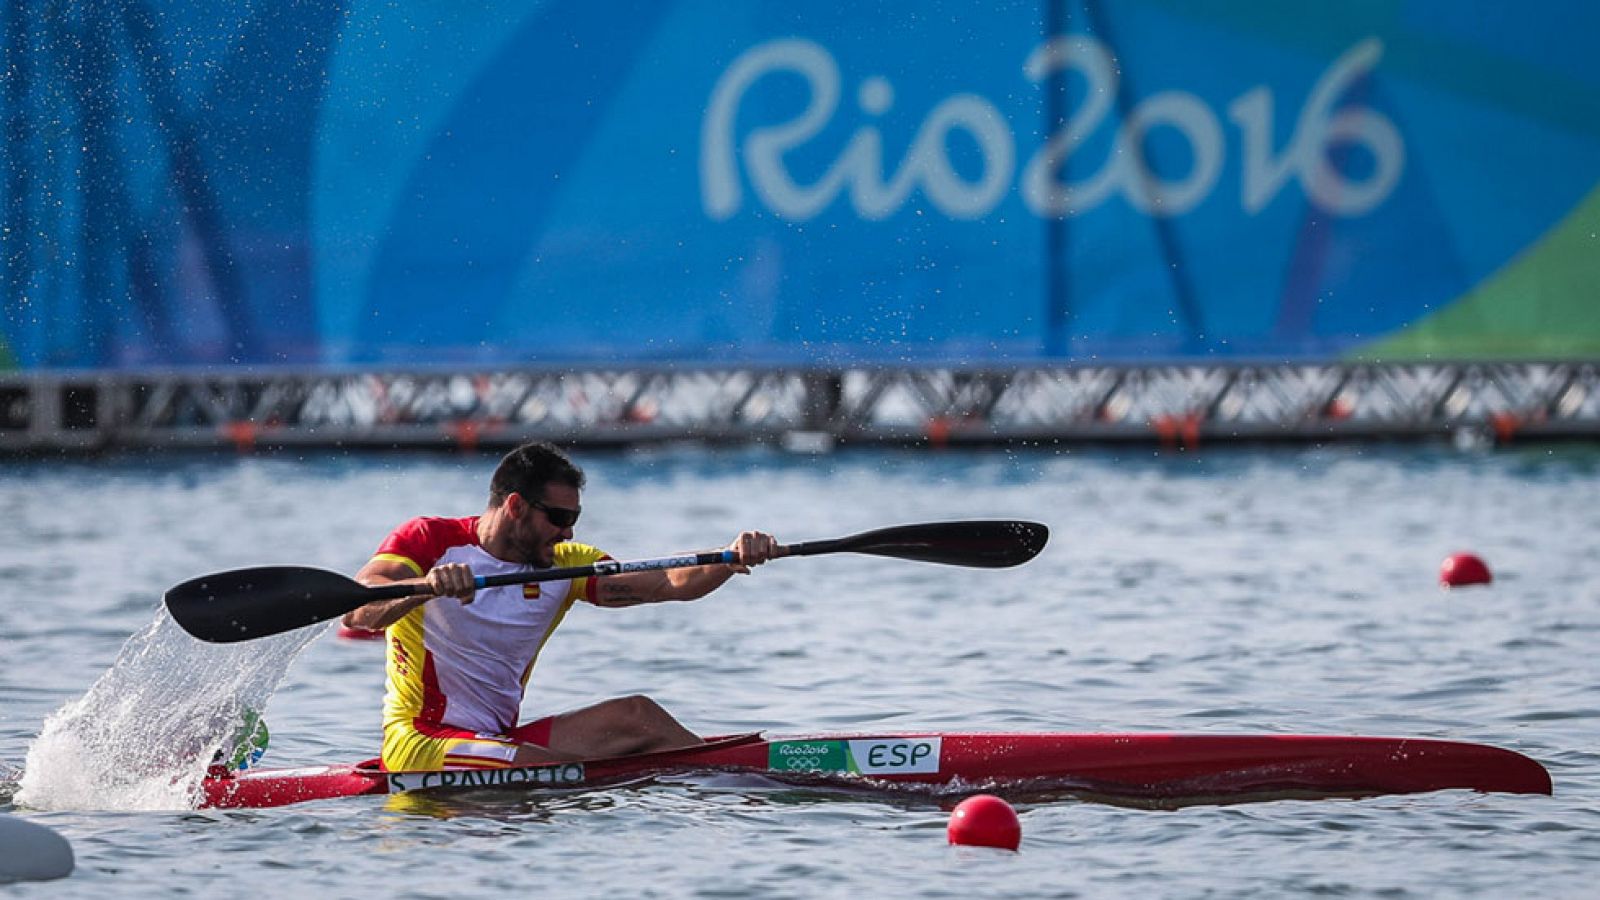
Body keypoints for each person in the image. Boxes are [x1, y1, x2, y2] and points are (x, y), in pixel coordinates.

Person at [342, 441, 779, 772]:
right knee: (548, 770)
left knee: (638, 716)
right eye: (558, 518)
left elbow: (667, 581)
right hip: (420, 742)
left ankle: (737, 781)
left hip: (499, 740)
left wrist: (730, 557)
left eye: (574, 518)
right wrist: (426, 588)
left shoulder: (566, 566)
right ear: (515, 506)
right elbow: (358, 608)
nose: (567, 533)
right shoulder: (428, 541)